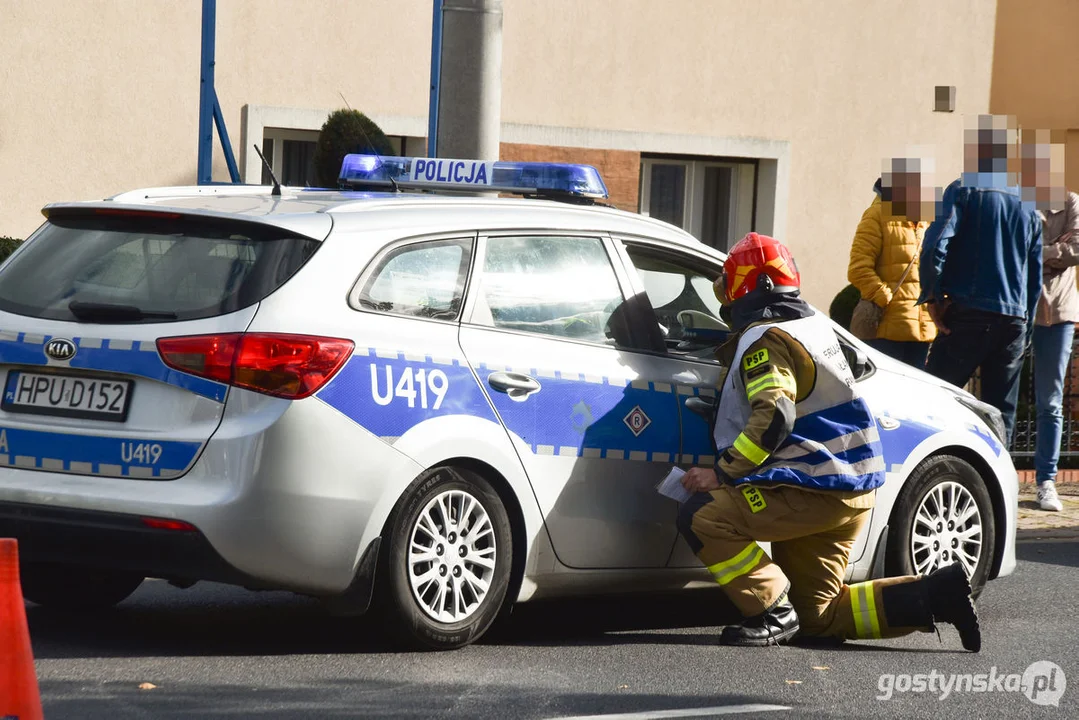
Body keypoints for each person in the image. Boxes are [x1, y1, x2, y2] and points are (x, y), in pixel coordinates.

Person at [676, 232, 980, 650]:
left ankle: (770, 610)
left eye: (731, 286)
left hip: (808, 491)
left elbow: (776, 414)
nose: (727, 301)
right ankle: (935, 596)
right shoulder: (814, 325)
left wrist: (723, 473)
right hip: (849, 492)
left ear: (757, 285)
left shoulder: (767, 339)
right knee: (818, 618)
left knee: (703, 514)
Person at [918, 115, 1043, 444]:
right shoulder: (1028, 203)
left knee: (930, 402)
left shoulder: (962, 190)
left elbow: (934, 247)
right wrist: (1025, 328)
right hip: (1013, 320)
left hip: (969, 314)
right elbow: (1035, 276)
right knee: (1000, 416)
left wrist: (933, 296)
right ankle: (999, 488)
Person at [1021, 130, 1079, 512]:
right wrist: (1050, 252)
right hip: (1020, 310)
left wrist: (1035, 253)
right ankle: (1000, 478)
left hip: (1058, 313)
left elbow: (1075, 249)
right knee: (1002, 401)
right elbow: (1013, 252)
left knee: (1051, 402)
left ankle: (1046, 481)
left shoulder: (1071, 202)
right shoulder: (1021, 205)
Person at [847, 157, 937, 367]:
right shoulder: (876, 215)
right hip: (885, 330)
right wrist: (885, 298)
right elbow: (858, 269)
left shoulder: (926, 221)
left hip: (922, 332)